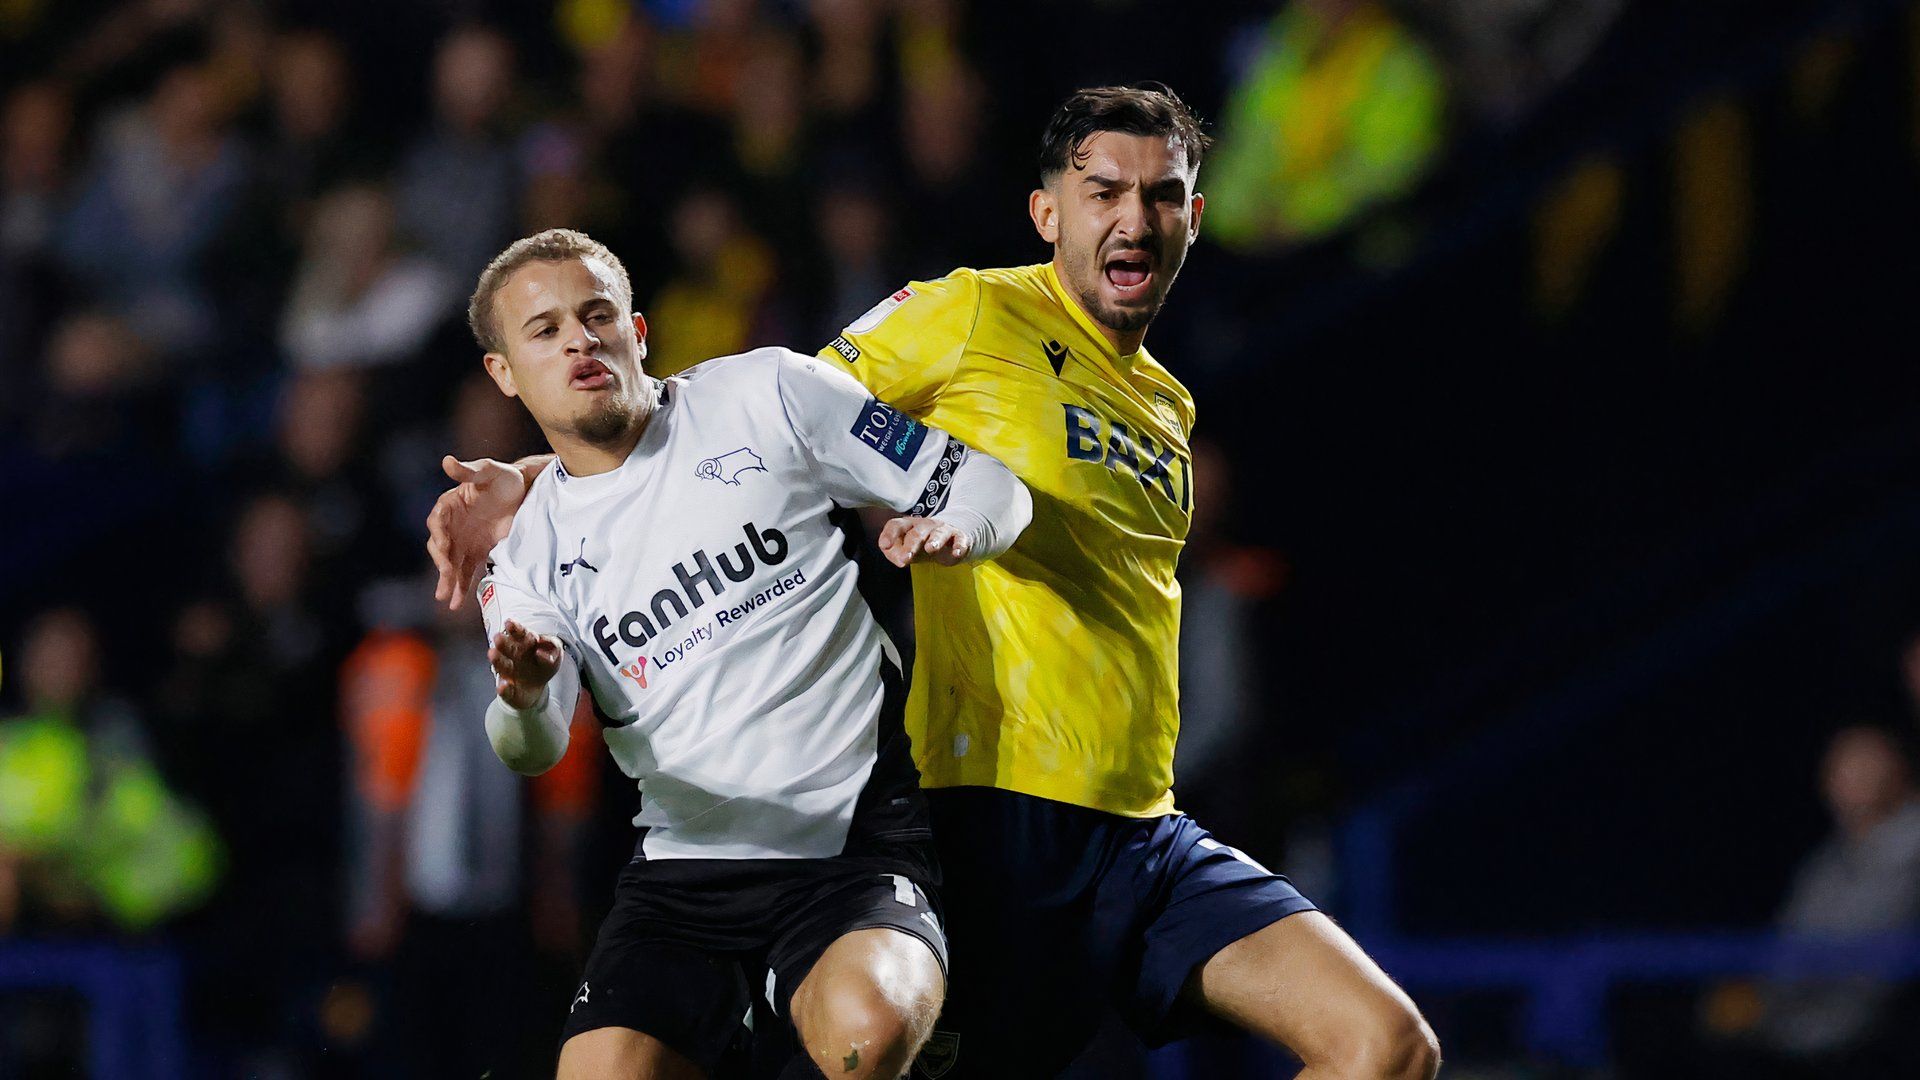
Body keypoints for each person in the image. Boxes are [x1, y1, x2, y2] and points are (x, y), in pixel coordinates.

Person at [430, 87, 1437, 1079]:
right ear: (1048, 214)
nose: (1136, 217)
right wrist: (544, 477)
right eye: (1105, 193)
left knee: (1384, 1045)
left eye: (1163, 195)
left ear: (1194, 217)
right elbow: (742, 429)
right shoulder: (966, 314)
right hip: (991, 820)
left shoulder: (1167, 404)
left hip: (1143, 830)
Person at [454, 228, 1032, 1079]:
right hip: (683, 883)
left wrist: (959, 528)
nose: (579, 338)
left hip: (855, 847)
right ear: (504, 373)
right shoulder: (522, 559)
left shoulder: (770, 393)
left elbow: (991, 486)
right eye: (543, 331)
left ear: (637, 333)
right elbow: (532, 750)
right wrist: (524, 697)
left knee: (863, 1038)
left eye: (597, 314)